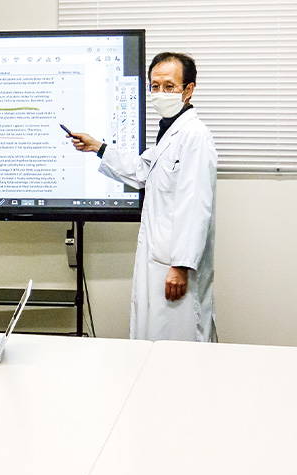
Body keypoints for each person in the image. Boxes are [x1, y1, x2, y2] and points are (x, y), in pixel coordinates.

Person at [69, 52, 217, 342]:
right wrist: (98, 147)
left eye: (169, 86)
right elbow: (142, 170)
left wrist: (181, 265)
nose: (160, 93)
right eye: (155, 86)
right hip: (159, 260)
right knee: (155, 342)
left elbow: (196, 205)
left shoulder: (195, 136)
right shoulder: (170, 132)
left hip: (175, 265)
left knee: (181, 344)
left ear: (188, 90)